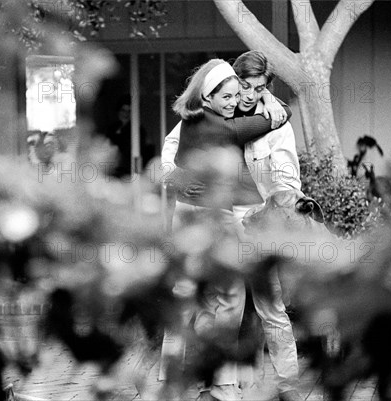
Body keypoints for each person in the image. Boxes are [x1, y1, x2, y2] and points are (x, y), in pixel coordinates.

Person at [162, 51, 303, 401]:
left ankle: (286, 384)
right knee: (215, 303)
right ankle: (214, 385)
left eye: (260, 88)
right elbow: (169, 152)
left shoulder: (273, 121)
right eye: (244, 86)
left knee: (268, 306)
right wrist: (177, 177)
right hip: (217, 218)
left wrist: (280, 207)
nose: (250, 95)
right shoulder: (210, 115)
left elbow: (288, 177)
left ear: (267, 87)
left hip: (257, 220)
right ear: (230, 84)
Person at [104, 94, 152, 177]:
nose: (125, 114)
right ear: (118, 111)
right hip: (112, 172)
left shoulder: (137, 130)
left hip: (128, 173)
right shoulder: (112, 128)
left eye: (129, 111)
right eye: (123, 110)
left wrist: (137, 174)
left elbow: (139, 154)